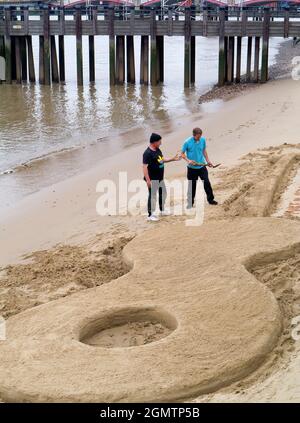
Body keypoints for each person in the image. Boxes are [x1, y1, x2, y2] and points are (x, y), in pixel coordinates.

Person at [143, 133, 180, 221]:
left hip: (160, 177)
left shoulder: (157, 149)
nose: (161, 143)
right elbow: (144, 167)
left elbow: (161, 160)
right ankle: (150, 215)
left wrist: (172, 159)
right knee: (153, 196)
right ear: (154, 142)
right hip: (152, 179)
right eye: (159, 141)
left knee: (163, 193)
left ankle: (162, 210)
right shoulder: (147, 153)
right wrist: (148, 181)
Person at [181, 127, 218, 208]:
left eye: (200, 136)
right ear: (193, 135)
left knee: (207, 183)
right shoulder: (187, 142)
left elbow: (204, 150)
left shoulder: (203, 140)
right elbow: (182, 154)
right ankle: (190, 203)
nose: (199, 138)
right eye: (197, 137)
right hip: (191, 168)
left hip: (202, 166)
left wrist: (208, 160)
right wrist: (188, 160)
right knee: (192, 186)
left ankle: (210, 200)